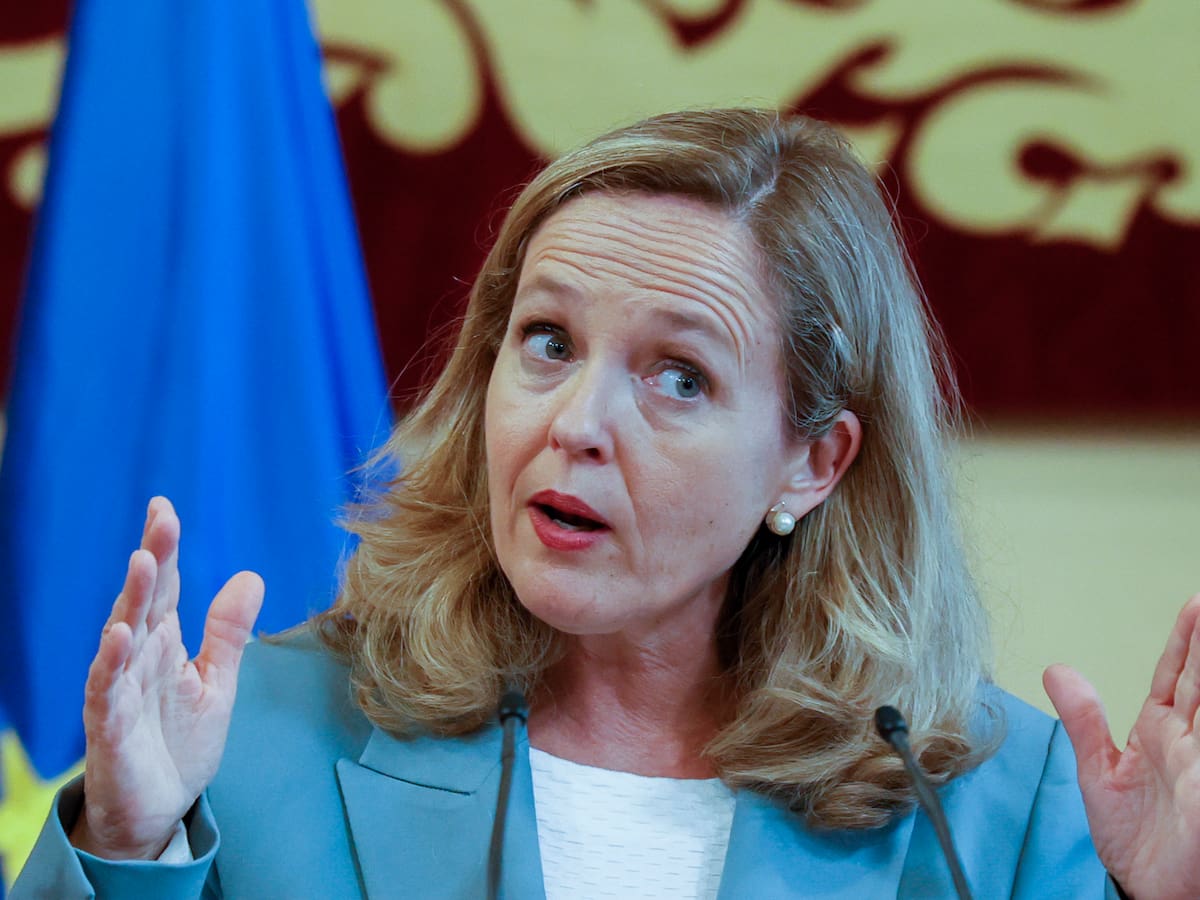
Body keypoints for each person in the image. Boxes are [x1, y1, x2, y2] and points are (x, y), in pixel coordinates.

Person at [13, 108, 1200, 899]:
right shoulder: (258, 742)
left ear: (813, 462)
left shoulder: (993, 809)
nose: (576, 423)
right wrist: (127, 845)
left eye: (679, 377)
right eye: (547, 342)